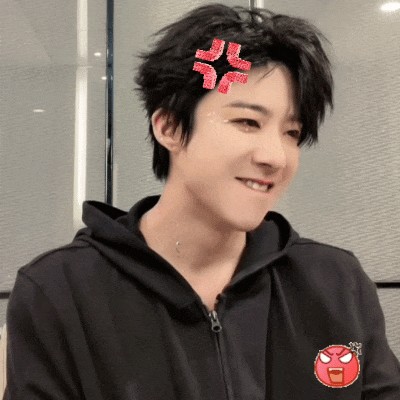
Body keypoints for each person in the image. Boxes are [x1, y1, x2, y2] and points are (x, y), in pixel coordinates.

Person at [5, 3, 400, 399]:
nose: (276, 157)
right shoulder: (60, 292)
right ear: (170, 128)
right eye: (247, 122)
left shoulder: (336, 284)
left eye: (292, 133)